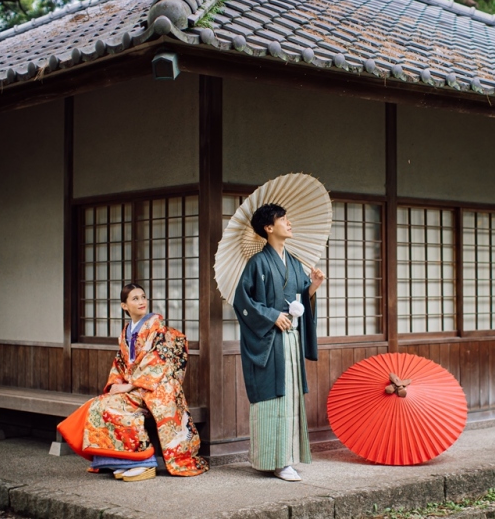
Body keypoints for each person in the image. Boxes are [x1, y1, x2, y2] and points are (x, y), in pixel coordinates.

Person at [57, 283, 208, 481]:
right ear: (124, 306)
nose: (141, 302)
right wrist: (115, 385)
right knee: (99, 405)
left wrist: (129, 385)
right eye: (135, 298)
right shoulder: (126, 332)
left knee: (114, 408)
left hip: (156, 389)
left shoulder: (159, 329)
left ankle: (143, 461)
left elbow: (159, 361)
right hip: (137, 388)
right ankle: (118, 461)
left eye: (143, 297)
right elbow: (119, 364)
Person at [233, 203, 325, 482]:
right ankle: (274, 460)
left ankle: (286, 458)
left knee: (290, 397)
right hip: (269, 343)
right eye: (283, 220)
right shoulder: (257, 263)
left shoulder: (294, 261)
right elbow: (242, 301)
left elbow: (297, 299)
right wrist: (272, 316)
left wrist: (313, 288)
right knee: (275, 398)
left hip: (291, 339)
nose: (289, 223)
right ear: (268, 228)